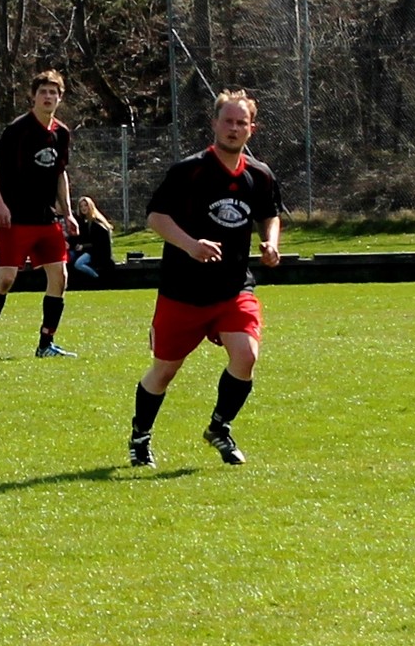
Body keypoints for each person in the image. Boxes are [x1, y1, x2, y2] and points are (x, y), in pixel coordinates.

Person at [128, 90, 283, 468]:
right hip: (183, 291)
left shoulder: (259, 175)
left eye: (241, 123)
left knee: (246, 356)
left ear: (252, 129)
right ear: (214, 124)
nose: (233, 129)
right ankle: (140, 437)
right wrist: (189, 245)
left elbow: (270, 214)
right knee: (164, 371)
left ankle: (219, 427)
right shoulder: (189, 170)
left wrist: (270, 243)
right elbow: (156, 217)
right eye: (227, 121)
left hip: (232, 288)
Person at [0, 69, 79, 361]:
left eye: (53, 92)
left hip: (46, 219)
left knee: (60, 276)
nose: (48, 97)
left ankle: (46, 344)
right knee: (6, 278)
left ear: (60, 97)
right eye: (43, 91)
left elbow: (60, 174)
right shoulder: (18, 129)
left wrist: (67, 213)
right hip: (16, 218)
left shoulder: (62, 133)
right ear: (33, 96)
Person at [68, 196, 115, 281]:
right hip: (86, 251)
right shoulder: (82, 222)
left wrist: (84, 246)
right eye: (81, 206)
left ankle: (96, 277)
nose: (83, 208)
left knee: (78, 264)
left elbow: (99, 242)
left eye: (85, 205)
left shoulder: (96, 223)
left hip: (95, 252)